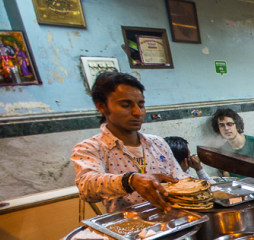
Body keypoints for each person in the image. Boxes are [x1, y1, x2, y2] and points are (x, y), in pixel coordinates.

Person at [72, 71, 184, 212]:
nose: (137, 112)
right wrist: (129, 181)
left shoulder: (158, 143)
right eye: (126, 105)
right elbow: (87, 187)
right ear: (101, 106)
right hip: (131, 228)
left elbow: (180, 178)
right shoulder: (90, 148)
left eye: (141, 105)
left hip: (173, 221)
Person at [210, 107, 254, 179]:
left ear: (237, 125)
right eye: (221, 125)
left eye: (229, 124)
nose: (226, 128)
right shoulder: (221, 151)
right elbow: (227, 177)